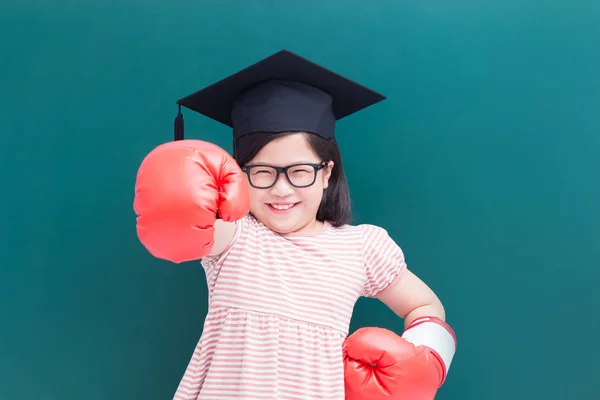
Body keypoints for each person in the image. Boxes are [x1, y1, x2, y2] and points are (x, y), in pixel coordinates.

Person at [134, 50, 457, 400]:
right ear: (238, 176)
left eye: (300, 171)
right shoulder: (235, 235)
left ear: (326, 173)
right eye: (262, 172)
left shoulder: (361, 248)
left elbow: (425, 305)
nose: (281, 188)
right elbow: (192, 223)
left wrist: (425, 361)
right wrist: (178, 188)